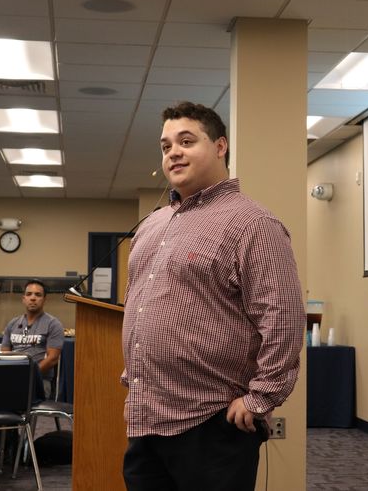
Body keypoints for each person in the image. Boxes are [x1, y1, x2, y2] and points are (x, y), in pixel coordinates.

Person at [121, 101, 306, 491]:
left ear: (220, 146)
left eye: (186, 141)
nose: (173, 152)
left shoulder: (254, 224)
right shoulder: (152, 225)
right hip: (146, 417)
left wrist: (261, 398)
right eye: (166, 144)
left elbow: (283, 319)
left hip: (212, 422)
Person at [0, 279, 64, 465]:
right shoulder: (12, 324)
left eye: (38, 295)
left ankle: (0, 442)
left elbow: (52, 359)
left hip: (40, 384)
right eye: (29, 294)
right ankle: (8, 440)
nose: (33, 298)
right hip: (11, 381)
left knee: (0, 398)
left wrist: (28, 376)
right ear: (23, 299)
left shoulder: (53, 324)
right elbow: (3, 355)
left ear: (44, 299)